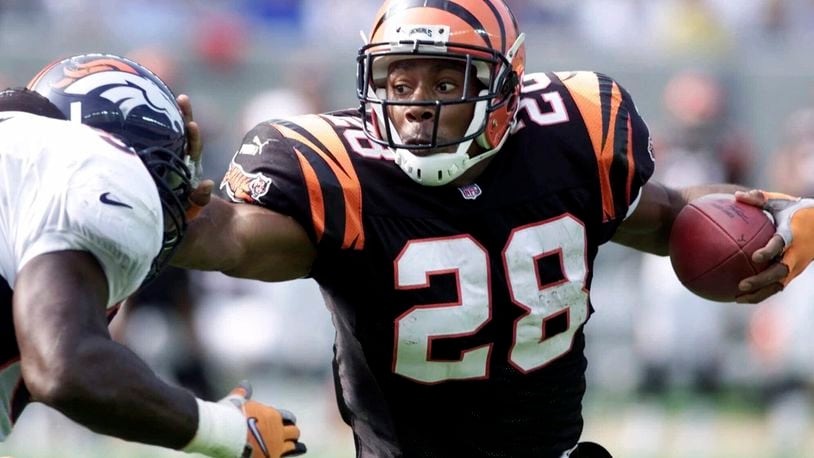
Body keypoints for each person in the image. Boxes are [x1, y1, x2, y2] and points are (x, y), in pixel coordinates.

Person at [173, 1, 814, 456]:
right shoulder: (339, 172)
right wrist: (172, 211)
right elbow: (231, 238)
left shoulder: (570, 140)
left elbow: (673, 214)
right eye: (400, 82)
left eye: (446, 80)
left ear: (505, 88)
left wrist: (783, 213)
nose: (418, 107)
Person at [0, 54, 304, 458]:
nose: (181, 198)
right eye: (172, 174)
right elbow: (64, 368)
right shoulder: (99, 165)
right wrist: (228, 430)